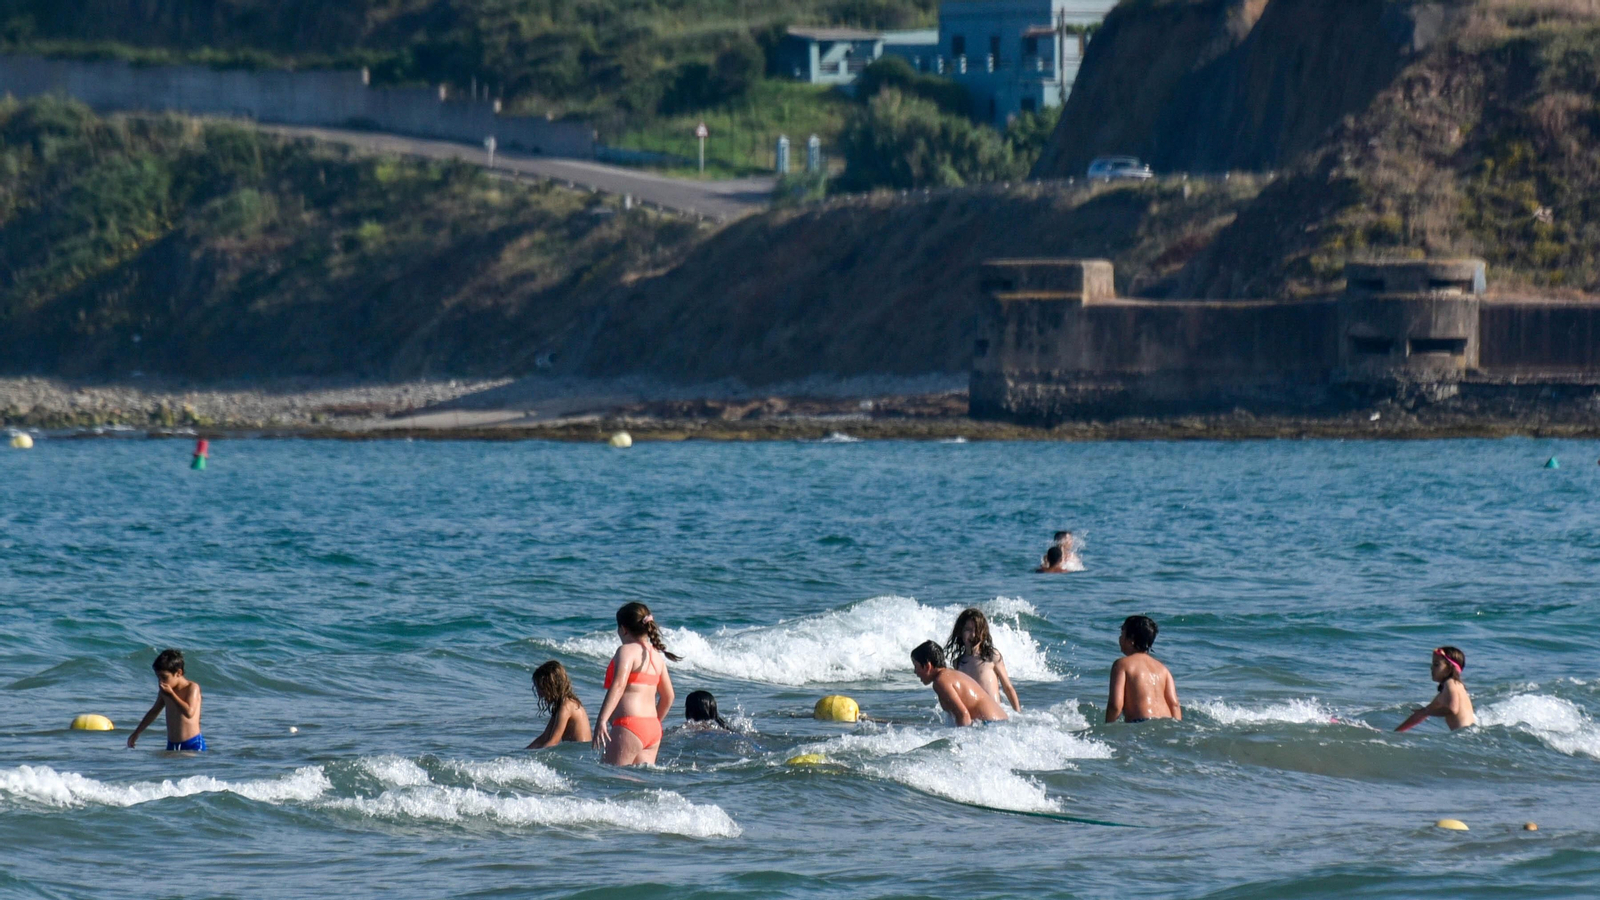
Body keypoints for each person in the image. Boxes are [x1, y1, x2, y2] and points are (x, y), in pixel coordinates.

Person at [593, 602, 678, 765]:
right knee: (638, 785)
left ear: (624, 629)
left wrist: (602, 719)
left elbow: (618, 685)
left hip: (629, 725)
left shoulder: (626, 651)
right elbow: (669, 697)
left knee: (611, 781)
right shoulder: (657, 657)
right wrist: (652, 723)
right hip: (652, 729)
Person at [910, 641, 1006, 726]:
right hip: (999, 723)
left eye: (916, 666)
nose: (915, 672)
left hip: (991, 725)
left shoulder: (940, 681)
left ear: (927, 666)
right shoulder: (949, 675)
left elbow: (963, 715)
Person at [1106, 616, 1181, 723]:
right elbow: (1175, 705)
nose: (1119, 638)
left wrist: (1107, 730)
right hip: (1166, 724)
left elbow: (1115, 705)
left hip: (1140, 723)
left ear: (1131, 639)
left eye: (1122, 633)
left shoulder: (1122, 664)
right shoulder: (1163, 669)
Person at [944, 608, 1021, 711]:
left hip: (994, 716)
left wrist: (1018, 713)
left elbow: (1008, 688)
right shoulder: (958, 663)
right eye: (968, 630)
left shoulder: (992, 657)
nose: (973, 635)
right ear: (960, 632)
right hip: (975, 721)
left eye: (977, 630)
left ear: (984, 633)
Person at [127, 649, 205, 751]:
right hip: (172, 745)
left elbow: (189, 713)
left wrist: (172, 695)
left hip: (192, 744)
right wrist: (137, 732)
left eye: (164, 677)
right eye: (158, 677)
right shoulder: (165, 691)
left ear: (179, 673)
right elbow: (154, 711)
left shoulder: (191, 687)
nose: (160, 681)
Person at [1395, 646, 1477, 732]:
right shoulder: (1453, 688)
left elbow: (1453, 709)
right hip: (1468, 734)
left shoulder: (1450, 683)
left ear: (1450, 668)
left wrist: (1427, 712)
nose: (1431, 668)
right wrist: (1396, 732)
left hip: (1464, 736)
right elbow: (1422, 714)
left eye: (1436, 664)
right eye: (1432, 664)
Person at [527, 660, 591, 749]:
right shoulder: (562, 704)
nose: (538, 692)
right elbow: (545, 737)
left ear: (551, 686)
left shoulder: (566, 706)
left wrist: (535, 759)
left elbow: (553, 741)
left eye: (540, 687)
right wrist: (524, 753)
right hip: (578, 753)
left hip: (580, 754)